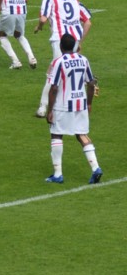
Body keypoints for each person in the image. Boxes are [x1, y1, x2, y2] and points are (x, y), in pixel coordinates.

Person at [44, 34, 103, 185]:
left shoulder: (59, 62)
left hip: (63, 106)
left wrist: (49, 110)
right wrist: (89, 103)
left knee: (56, 135)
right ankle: (95, 167)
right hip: (80, 104)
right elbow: (91, 83)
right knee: (82, 134)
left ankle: (58, 174)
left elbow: (54, 88)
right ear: (75, 46)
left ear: (61, 47)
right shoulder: (84, 60)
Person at [33, 0, 92, 118]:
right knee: (71, 68)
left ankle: (43, 107)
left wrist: (39, 27)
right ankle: (75, 102)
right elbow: (88, 22)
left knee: (53, 72)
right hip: (74, 39)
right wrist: (80, 42)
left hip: (60, 39)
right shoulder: (74, 0)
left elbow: (43, 18)